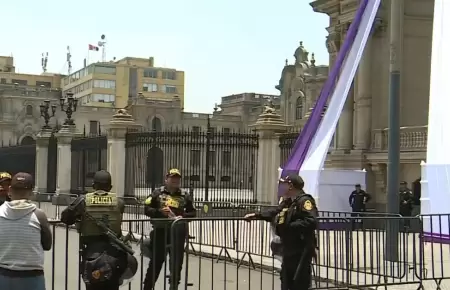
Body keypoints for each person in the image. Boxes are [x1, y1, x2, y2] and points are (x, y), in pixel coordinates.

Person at [61, 170, 137, 290]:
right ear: (110, 187)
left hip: (92, 254)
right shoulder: (120, 202)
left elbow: (65, 218)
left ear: (93, 186)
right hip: (115, 253)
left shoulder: (83, 201)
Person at [245, 174, 318, 290]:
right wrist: (256, 215)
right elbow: (275, 211)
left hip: (301, 250)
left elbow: (311, 221)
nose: (281, 187)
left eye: (284, 184)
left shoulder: (305, 201)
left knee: (299, 282)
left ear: (291, 186)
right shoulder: (289, 201)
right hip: (289, 249)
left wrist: (288, 227)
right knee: (286, 281)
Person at [143, 168, 196, 290]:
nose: (175, 180)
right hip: (160, 232)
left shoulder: (185, 195)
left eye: (177, 178)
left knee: (176, 264)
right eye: (172, 178)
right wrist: (160, 212)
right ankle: (147, 287)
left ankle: (174, 287)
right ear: (166, 179)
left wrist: (181, 217)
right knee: (156, 262)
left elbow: (192, 213)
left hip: (177, 234)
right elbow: (147, 209)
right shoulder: (157, 193)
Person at [0, 172, 52, 290]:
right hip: (32, 276)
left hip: (3, 275)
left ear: (10, 190)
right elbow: (47, 245)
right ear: (31, 193)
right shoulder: (39, 215)